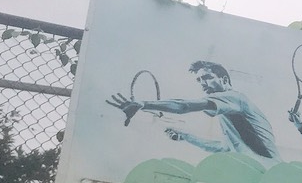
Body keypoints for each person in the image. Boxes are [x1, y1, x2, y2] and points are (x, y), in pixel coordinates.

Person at [106, 61, 279, 158]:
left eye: (207, 77)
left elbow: (184, 106)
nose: (202, 83)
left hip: (268, 175)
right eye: (199, 80)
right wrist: (186, 137)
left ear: (224, 80)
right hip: (261, 176)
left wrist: (143, 104)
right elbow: (224, 148)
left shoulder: (235, 98)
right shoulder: (229, 112)